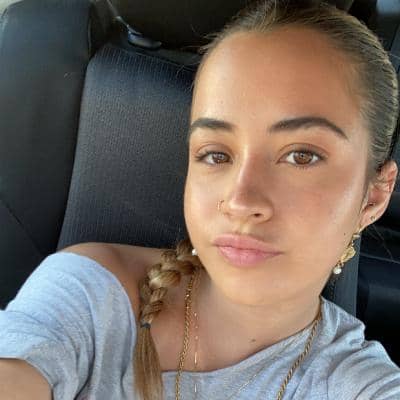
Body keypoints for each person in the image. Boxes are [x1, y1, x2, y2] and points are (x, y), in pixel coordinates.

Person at [0, 0, 400, 399]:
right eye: (216, 155)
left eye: (302, 156)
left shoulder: (360, 383)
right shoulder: (91, 296)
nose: (240, 201)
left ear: (374, 196)